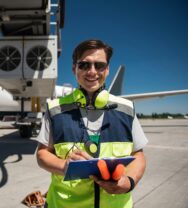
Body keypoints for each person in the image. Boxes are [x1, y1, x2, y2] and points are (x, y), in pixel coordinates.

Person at [35, 39, 148, 208]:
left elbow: (138, 155)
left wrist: (129, 182)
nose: (92, 72)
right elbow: (42, 154)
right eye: (84, 65)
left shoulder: (126, 108)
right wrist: (64, 166)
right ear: (74, 69)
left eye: (99, 65)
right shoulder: (55, 109)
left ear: (107, 69)